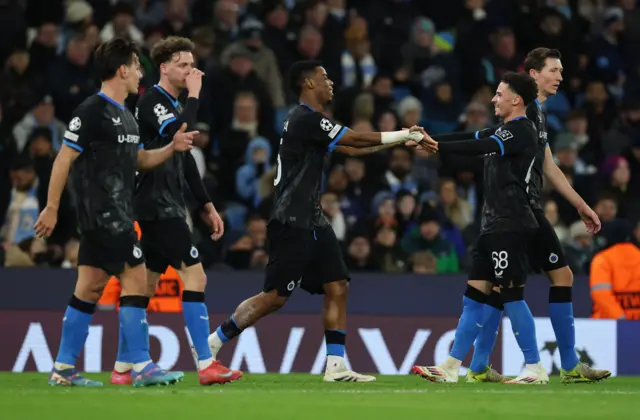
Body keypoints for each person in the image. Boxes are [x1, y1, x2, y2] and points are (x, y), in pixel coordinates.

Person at [206, 60, 423, 382]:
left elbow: (351, 149)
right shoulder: (305, 119)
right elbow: (354, 140)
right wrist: (405, 133)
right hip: (290, 219)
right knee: (275, 298)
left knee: (337, 285)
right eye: (325, 77)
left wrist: (399, 141)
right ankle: (213, 342)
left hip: (313, 219)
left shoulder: (312, 123)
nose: (331, 83)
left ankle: (335, 366)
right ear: (308, 84)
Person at [413, 49, 610, 384]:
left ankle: (542, 365)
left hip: (517, 213)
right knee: (490, 288)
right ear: (533, 76)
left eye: (562, 70)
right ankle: (468, 366)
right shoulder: (525, 115)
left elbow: (538, 162)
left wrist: (579, 204)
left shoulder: (529, 122)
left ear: (514, 97)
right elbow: (481, 140)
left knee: (514, 288)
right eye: (553, 70)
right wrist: (429, 140)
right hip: (510, 212)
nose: (560, 76)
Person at [33, 38, 197, 387]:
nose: (140, 73)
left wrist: (171, 147)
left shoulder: (127, 115)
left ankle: (62, 370)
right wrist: (51, 207)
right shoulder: (91, 110)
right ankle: (140, 364)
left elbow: (139, 159)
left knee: (89, 289)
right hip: (105, 215)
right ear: (123, 70)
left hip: (116, 214)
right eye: (137, 66)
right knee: (136, 276)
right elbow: (64, 158)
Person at [108, 36, 237, 386]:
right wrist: (195, 94)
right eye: (182, 64)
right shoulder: (153, 100)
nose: (190, 70)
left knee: (144, 288)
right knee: (196, 277)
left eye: (192, 64)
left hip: (162, 204)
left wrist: (206, 205)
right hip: (157, 204)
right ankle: (207, 363)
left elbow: (184, 157)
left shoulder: (171, 103)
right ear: (163, 67)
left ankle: (122, 368)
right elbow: (178, 132)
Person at [412, 72, 550, 384]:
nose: (493, 99)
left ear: (516, 99)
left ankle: (535, 367)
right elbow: (470, 139)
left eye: (499, 94)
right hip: (492, 226)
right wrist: (426, 138)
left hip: (513, 224)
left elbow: (481, 145)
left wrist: (437, 146)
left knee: (512, 295)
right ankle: (450, 366)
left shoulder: (522, 131)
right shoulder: (502, 131)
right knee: (473, 298)